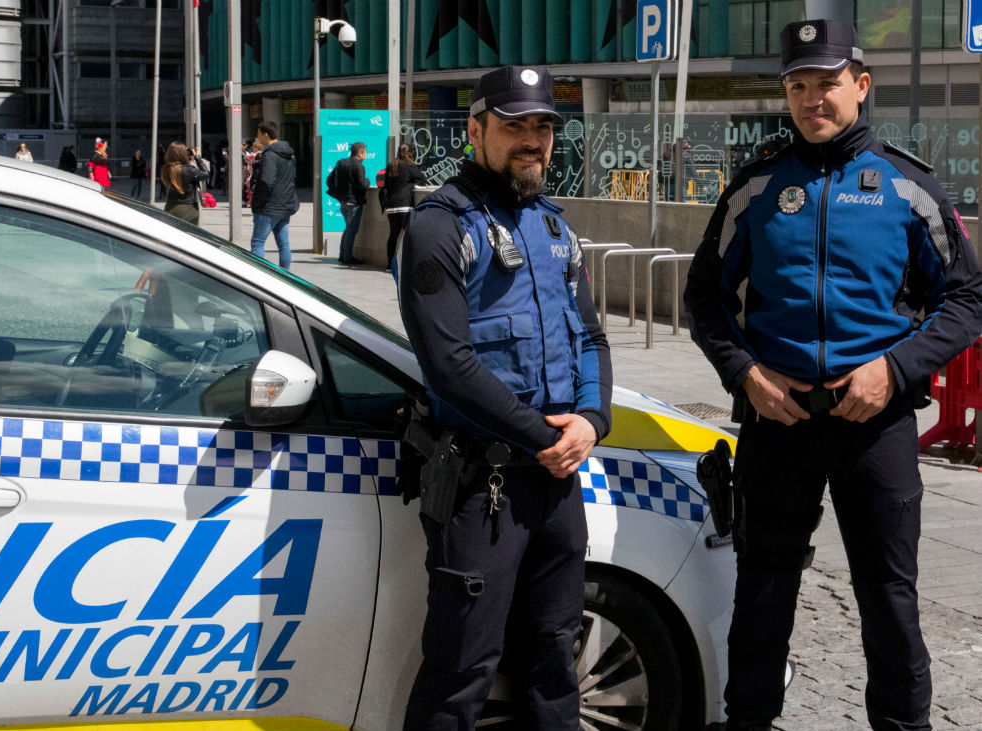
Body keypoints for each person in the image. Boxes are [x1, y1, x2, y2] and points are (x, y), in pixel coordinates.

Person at [683, 20, 982, 731]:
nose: (813, 98)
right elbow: (705, 297)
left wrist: (896, 367)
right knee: (762, 593)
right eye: (798, 85)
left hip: (873, 424)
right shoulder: (756, 187)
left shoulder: (909, 186)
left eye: (827, 82)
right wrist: (745, 373)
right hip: (777, 422)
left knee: (889, 599)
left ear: (861, 84)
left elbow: (967, 298)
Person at [398, 65, 612, 731]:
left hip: (555, 487)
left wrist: (593, 420)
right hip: (480, 485)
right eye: (515, 125)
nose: (532, 139)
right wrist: (547, 436)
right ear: (475, 130)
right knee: (462, 669)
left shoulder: (554, 227)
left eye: (543, 126)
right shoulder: (440, 226)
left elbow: (592, 336)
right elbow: (449, 365)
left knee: (555, 660)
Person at [248, 121, 298, 270]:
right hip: (285, 205)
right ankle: (286, 275)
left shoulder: (270, 155)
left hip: (269, 207)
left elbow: (266, 182)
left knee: (257, 242)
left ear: (265, 134)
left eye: (258, 135)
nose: (257, 139)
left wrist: (257, 204)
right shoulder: (289, 154)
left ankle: (259, 277)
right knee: (283, 243)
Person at [380, 142, 426, 282]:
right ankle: (407, 263)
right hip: (405, 206)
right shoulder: (410, 166)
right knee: (408, 236)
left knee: (393, 236)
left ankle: (389, 264)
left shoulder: (391, 165)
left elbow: (386, 185)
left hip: (391, 206)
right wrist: (412, 184)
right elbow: (423, 181)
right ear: (411, 153)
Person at [327, 142, 370, 264]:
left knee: (348, 228)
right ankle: (347, 257)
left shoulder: (341, 163)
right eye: (365, 153)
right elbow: (363, 185)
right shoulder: (359, 166)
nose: (365, 156)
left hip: (343, 201)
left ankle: (342, 255)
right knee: (351, 230)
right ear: (360, 153)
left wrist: (339, 194)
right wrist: (368, 181)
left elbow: (329, 180)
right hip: (354, 202)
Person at [160, 141, 210, 224]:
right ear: (182, 154)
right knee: (189, 234)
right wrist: (197, 158)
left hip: (170, 206)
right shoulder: (188, 170)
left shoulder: (166, 168)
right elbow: (206, 174)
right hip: (188, 208)